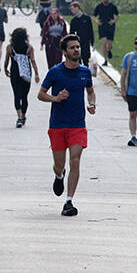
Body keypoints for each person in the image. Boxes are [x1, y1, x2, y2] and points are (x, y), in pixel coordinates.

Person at [37, 34, 96, 216]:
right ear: (64, 52)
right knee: (59, 164)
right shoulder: (55, 72)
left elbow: (91, 91)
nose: (76, 50)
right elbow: (41, 94)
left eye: (78, 47)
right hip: (58, 124)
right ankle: (58, 175)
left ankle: (69, 202)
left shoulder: (85, 72)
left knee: (75, 160)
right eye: (72, 48)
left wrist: (92, 104)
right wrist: (56, 98)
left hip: (78, 124)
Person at [4, 27, 40, 128]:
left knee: (16, 94)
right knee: (24, 96)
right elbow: (33, 61)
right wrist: (37, 74)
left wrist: (5, 69)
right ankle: (23, 116)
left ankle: (19, 117)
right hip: (26, 73)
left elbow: (6, 59)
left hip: (15, 73)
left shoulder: (10, 47)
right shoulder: (29, 48)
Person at [93, 0, 119, 65]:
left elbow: (117, 15)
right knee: (104, 43)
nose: (106, 0)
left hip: (110, 26)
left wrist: (113, 21)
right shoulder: (99, 6)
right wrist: (97, 21)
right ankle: (105, 60)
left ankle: (109, 50)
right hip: (102, 26)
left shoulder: (112, 6)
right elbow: (94, 15)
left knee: (109, 44)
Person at [68, 2, 94, 67]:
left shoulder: (87, 18)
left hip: (86, 42)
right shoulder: (73, 21)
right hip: (77, 44)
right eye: (71, 9)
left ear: (77, 8)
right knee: (77, 60)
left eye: (72, 9)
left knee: (86, 59)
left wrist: (92, 42)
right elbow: (71, 33)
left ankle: (86, 74)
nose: (72, 11)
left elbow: (90, 31)